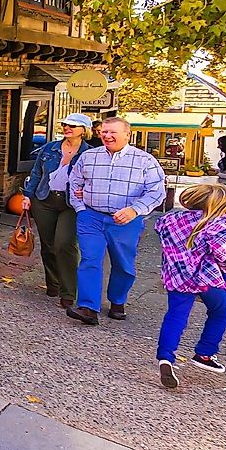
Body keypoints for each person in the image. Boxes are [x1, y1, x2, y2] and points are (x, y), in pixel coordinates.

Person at [66, 117, 167, 325]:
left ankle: (118, 300)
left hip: (125, 221)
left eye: (113, 132)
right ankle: (88, 307)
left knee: (123, 264)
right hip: (91, 217)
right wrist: (81, 209)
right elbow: (74, 181)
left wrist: (134, 210)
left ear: (127, 135)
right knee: (89, 260)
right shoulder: (88, 156)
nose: (107, 136)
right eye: (104, 132)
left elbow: (157, 192)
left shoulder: (144, 161)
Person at [154, 184, 226, 390]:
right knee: (220, 312)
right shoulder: (223, 223)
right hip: (207, 277)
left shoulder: (172, 219)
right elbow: (222, 252)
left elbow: (163, 233)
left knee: (175, 316)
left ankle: (165, 358)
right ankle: (204, 353)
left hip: (177, 276)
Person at [22, 114, 94, 308]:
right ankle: (52, 282)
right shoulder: (50, 148)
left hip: (72, 204)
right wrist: (28, 195)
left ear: (84, 130)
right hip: (44, 199)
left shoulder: (90, 154)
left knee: (65, 244)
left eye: (73, 125)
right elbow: (36, 173)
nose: (67, 128)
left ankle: (68, 291)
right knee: (48, 244)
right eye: (65, 124)